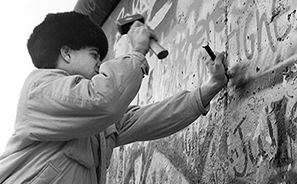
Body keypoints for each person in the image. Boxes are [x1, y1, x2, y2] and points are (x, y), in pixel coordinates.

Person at [0, 11, 228, 184]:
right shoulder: (39, 88)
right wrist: (138, 51)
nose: (99, 63)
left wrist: (211, 87)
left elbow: (150, 119)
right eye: (94, 55)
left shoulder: (93, 123)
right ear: (66, 53)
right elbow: (103, 99)